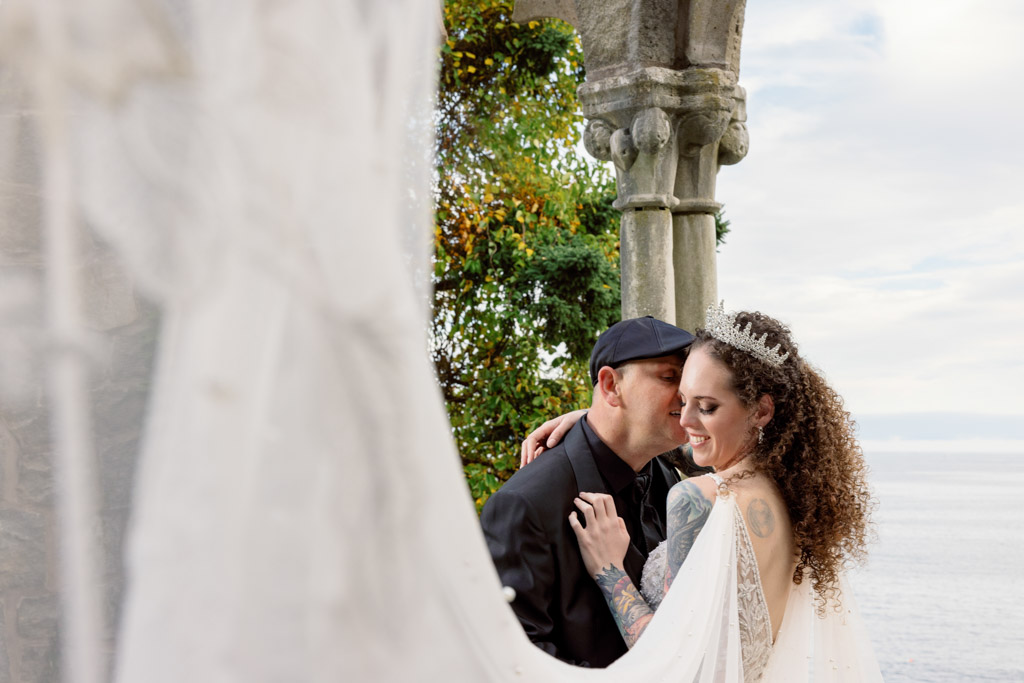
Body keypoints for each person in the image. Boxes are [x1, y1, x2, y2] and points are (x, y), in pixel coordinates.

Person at [527, 304, 881, 680]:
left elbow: (672, 657)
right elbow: (692, 451)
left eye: (707, 407)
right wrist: (594, 418)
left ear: (761, 410)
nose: (686, 420)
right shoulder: (790, 491)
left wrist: (610, 572)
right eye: (683, 400)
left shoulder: (696, 499)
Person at [479, 316, 697, 667]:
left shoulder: (670, 477)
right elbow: (513, 656)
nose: (686, 396)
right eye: (669, 377)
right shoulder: (523, 504)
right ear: (611, 385)